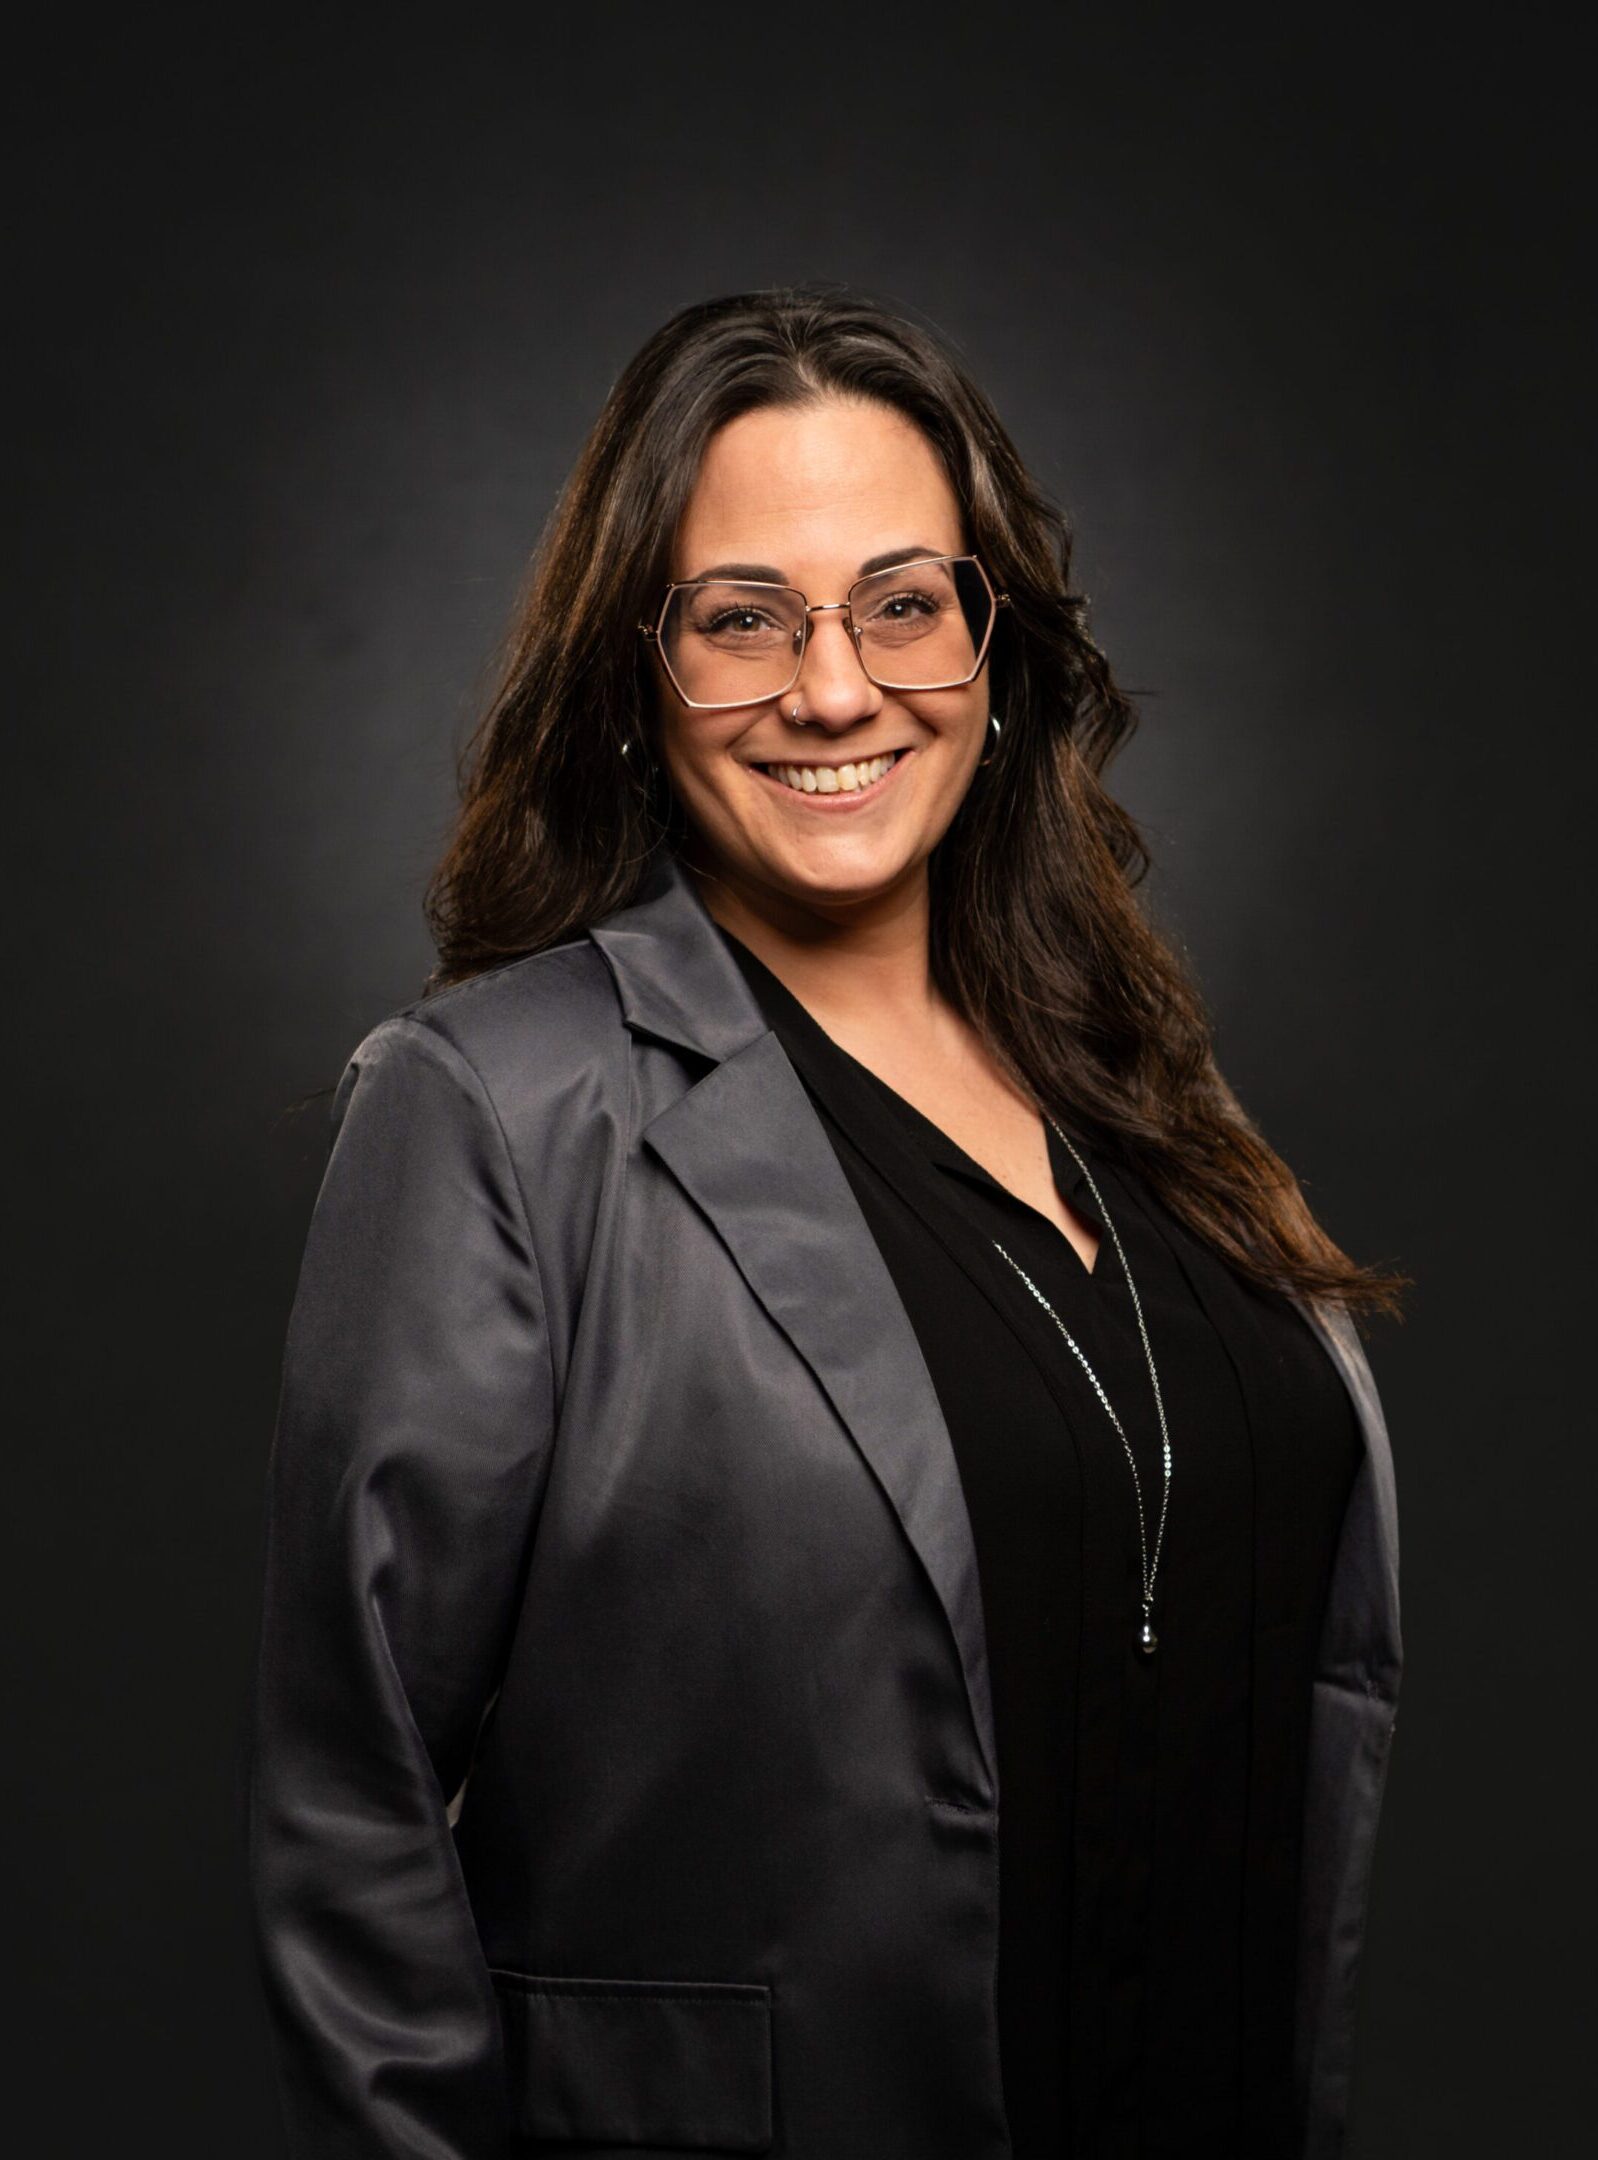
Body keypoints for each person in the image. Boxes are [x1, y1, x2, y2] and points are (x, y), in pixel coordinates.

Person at [246, 285, 1405, 2160]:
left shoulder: (1141, 1087)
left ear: (991, 642)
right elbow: (350, 1812)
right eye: (741, 620)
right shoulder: (495, 1107)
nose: (835, 687)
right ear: (640, 672)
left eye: (900, 603)